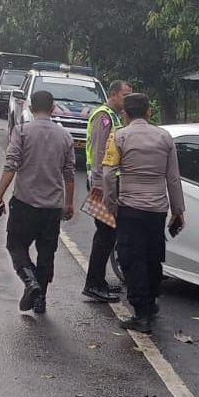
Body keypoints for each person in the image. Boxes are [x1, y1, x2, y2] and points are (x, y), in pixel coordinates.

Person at [102, 93, 185, 333]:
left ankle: (141, 313)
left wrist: (111, 204)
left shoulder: (119, 136)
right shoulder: (165, 137)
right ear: (149, 112)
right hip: (157, 210)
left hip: (130, 208)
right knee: (153, 256)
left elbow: (108, 174)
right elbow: (173, 178)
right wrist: (178, 210)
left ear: (125, 114)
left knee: (130, 258)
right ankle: (152, 303)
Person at [0, 90, 75, 314]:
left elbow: (11, 165)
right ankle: (40, 300)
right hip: (52, 207)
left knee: (16, 245)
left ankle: (30, 282)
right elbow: (69, 174)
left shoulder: (21, 131)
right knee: (47, 252)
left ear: (30, 107)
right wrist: (69, 203)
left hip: (25, 203)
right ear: (53, 108)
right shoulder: (65, 137)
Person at [83, 80, 133, 303]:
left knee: (108, 235)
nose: (128, 99)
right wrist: (100, 185)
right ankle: (93, 284)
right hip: (102, 184)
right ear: (114, 94)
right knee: (104, 235)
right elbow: (100, 151)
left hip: (107, 183)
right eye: (125, 95)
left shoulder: (113, 116)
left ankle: (99, 281)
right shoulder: (103, 117)